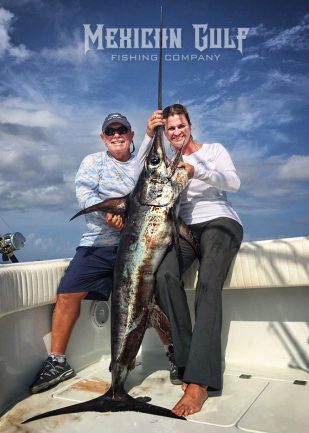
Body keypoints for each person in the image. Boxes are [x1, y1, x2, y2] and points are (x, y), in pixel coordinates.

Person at [30, 113, 177, 394]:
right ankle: (57, 361)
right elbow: (85, 195)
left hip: (139, 245)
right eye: (110, 131)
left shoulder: (141, 163)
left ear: (132, 135)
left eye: (122, 130)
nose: (116, 134)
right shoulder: (92, 162)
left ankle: (173, 352)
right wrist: (109, 211)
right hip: (98, 243)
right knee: (68, 293)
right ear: (103, 137)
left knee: (154, 298)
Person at [136, 104, 243, 417]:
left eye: (180, 126)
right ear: (165, 134)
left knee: (210, 281)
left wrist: (198, 171)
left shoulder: (213, 150)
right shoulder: (166, 163)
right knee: (161, 276)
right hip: (182, 230)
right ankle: (184, 360)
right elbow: (137, 177)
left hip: (220, 223)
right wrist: (146, 137)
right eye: (170, 129)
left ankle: (199, 380)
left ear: (190, 126)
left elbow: (234, 182)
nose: (176, 132)